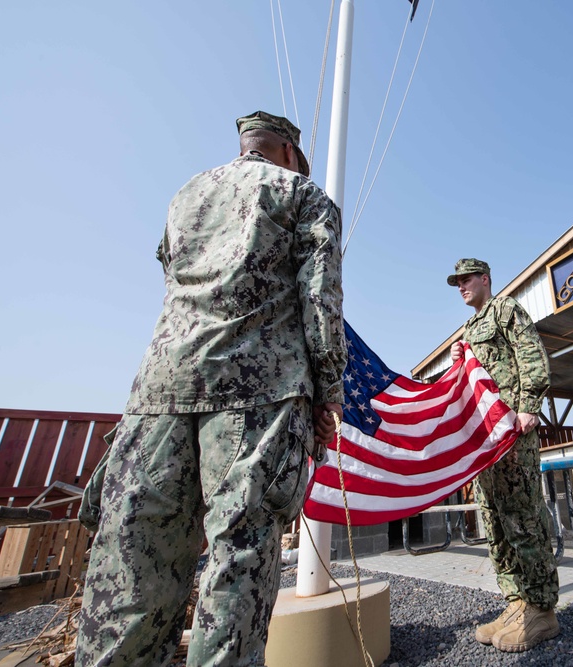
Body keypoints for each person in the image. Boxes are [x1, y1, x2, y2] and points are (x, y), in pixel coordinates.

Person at [76, 111, 347, 666]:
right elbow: (320, 302)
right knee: (237, 564)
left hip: (160, 394)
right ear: (290, 153)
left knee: (133, 564)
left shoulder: (186, 195)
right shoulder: (302, 194)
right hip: (258, 395)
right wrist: (329, 394)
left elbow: (171, 274)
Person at [447, 258, 560, 653]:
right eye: (456, 282)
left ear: (484, 279)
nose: (460, 286)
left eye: (465, 279)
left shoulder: (505, 309)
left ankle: (542, 608)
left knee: (523, 516)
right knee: (495, 520)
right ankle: (516, 601)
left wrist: (528, 405)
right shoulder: (469, 328)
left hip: (512, 429)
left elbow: (532, 356)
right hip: (483, 439)